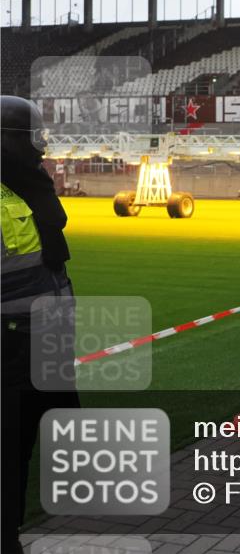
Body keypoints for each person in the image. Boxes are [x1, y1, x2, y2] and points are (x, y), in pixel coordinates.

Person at [1, 95, 80, 554]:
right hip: (9, 352)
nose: (41, 149)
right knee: (8, 455)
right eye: (31, 138)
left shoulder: (29, 190)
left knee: (51, 444)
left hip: (46, 346)